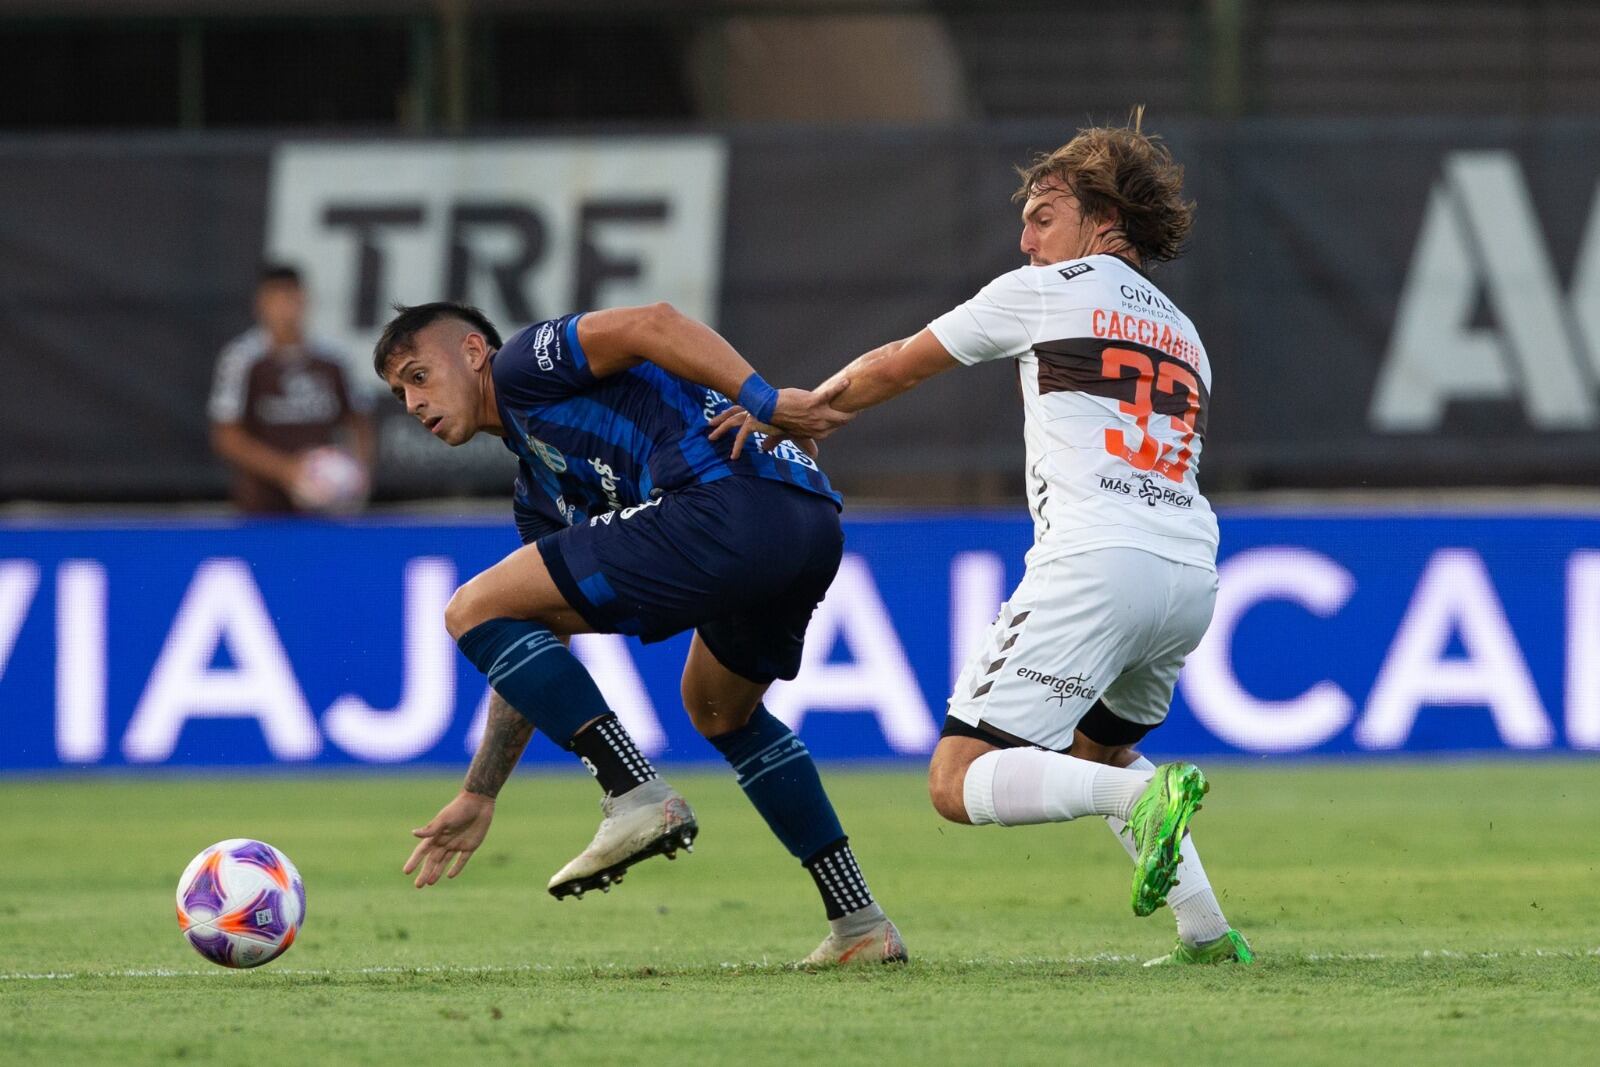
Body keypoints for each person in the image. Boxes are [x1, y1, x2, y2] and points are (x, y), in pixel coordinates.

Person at [712, 115, 1252, 967]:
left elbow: (901, 360)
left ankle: (1144, 803)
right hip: (1190, 571)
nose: (1026, 238)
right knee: (1100, 750)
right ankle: (1209, 934)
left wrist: (801, 410)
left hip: (1095, 559)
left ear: (1103, 221)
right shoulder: (1186, 336)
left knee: (957, 780)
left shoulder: (1046, 290)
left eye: (1044, 214)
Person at [376, 300, 905, 966]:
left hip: (727, 501)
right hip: (806, 521)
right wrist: (481, 790)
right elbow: (532, 647)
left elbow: (651, 322)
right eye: (399, 393)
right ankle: (860, 921)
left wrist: (765, 399)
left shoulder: (521, 367)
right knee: (719, 708)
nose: (412, 402)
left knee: (466, 607)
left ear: (475, 351)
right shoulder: (537, 492)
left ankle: (634, 792)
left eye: (419, 375)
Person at [208, 264, 374, 514]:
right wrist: (289, 471)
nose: (285, 309)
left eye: (291, 298)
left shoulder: (334, 358)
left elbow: (360, 423)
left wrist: (355, 474)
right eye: (276, 299)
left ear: (304, 300)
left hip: (325, 501)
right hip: (262, 503)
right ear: (260, 304)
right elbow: (226, 437)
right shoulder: (242, 359)